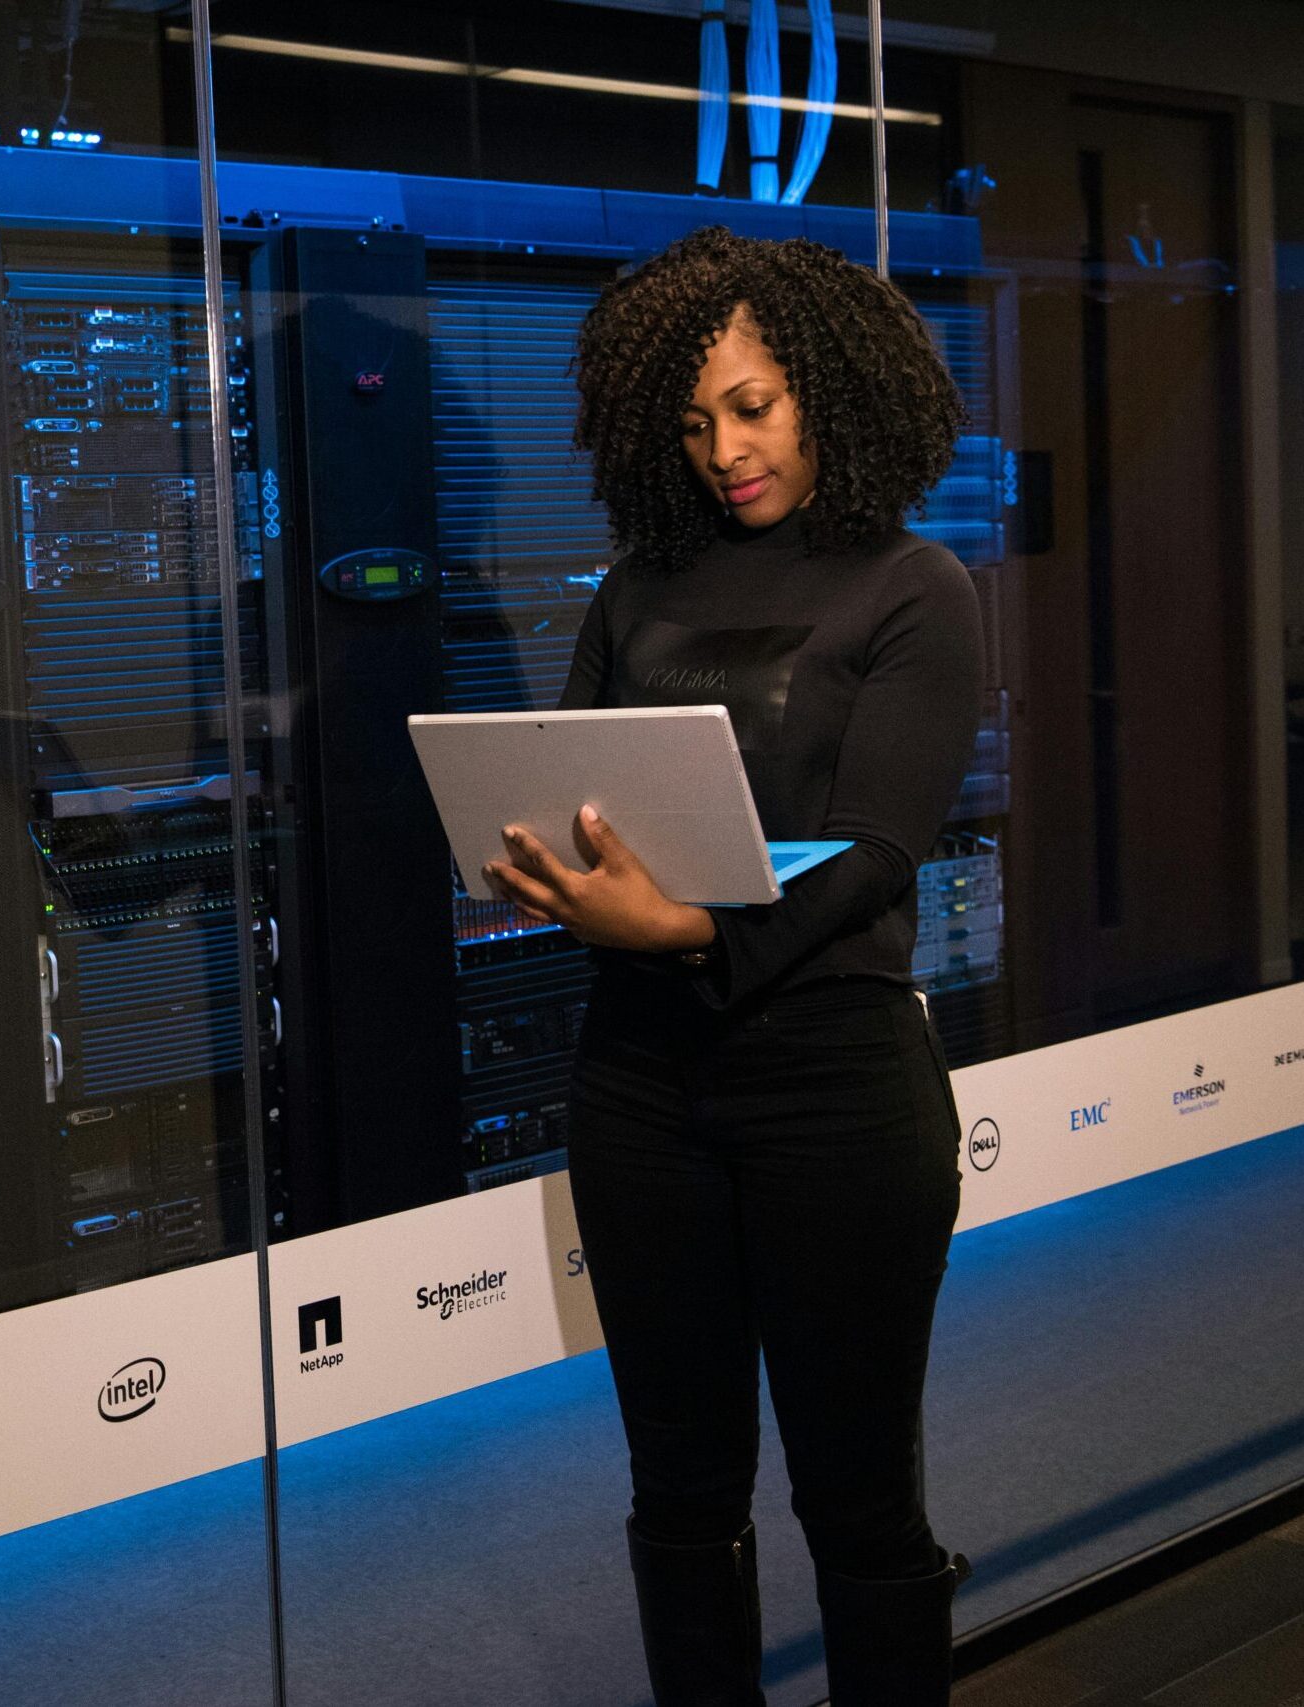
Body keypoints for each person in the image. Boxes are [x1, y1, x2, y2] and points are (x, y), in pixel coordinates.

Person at [483, 225, 983, 1706]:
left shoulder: (914, 587)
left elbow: (877, 848)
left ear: (830, 390)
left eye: (753, 407)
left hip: (837, 1088)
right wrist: (544, 866)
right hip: (640, 1088)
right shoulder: (639, 584)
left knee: (858, 1502)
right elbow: (560, 778)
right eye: (696, 422)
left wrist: (692, 926)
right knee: (680, 1497)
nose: (724, 449)